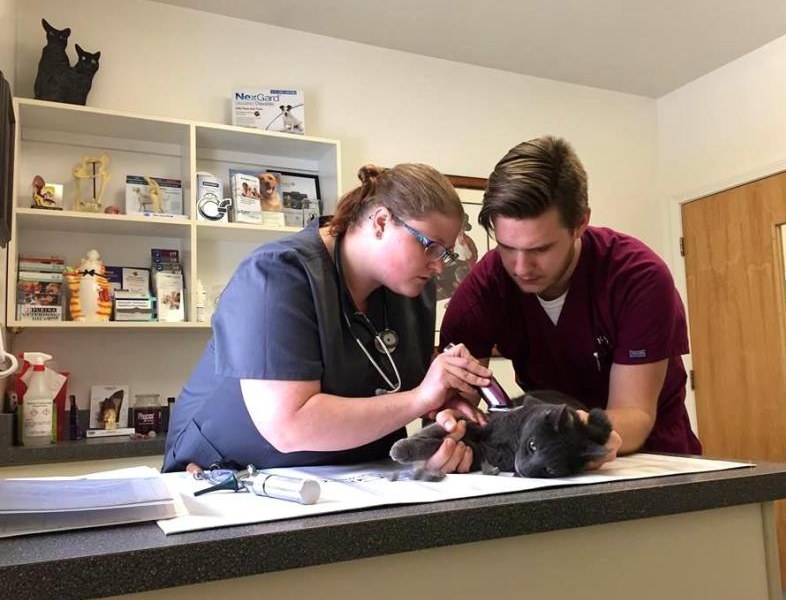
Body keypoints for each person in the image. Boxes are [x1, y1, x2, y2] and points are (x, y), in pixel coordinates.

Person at [163, 164, 491, 473]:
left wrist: (442, 411)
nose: (438, 266)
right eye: (430, 246)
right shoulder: (276, 274)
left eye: (445, 253)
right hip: (230, 472)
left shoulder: (412, 291)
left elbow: (396, 395)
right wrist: (421, 399)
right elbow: (289, 426)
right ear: (380, 222)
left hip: (355, 474)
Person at [440, 137, 702, 461]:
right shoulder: (483, 291)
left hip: (652, 459)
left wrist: (573, 432)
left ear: (580, 223)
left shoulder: (638, 278)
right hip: (544, 461)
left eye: (540, 249)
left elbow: (635, 416)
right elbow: (457, 407)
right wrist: (453, 431)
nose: (521, 268)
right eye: (507, 247)